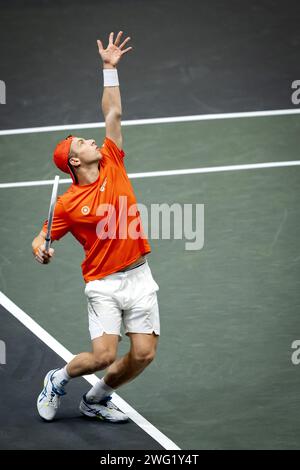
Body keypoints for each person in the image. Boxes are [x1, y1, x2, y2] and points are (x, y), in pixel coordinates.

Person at [32, 31, 160, 423]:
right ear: (73, 161)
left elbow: (113, 114)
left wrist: (108, 70)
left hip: (140, 275)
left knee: (143, 354)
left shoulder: (111, 159)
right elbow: (41, 237)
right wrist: (41, 247)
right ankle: (57, 378)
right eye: (81, 143)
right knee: (103, 355)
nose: (91, 140)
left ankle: (97, 398)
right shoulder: (69, 204)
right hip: (103, 283)